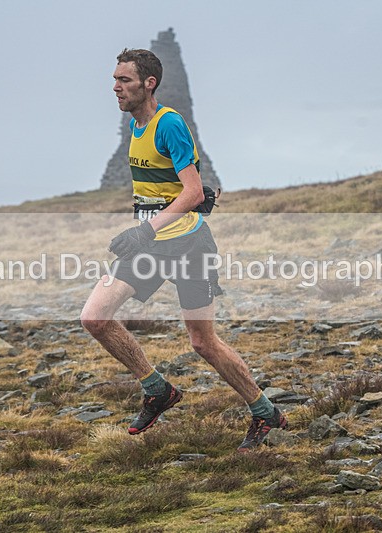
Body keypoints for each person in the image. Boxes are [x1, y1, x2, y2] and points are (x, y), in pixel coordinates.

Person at [80, 48, 287, 451]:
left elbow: (190, 192)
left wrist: (148, 227)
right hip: (152, 246)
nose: (115, 87)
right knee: (95, 318)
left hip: (189, 245)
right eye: (114, 80)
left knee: (202, 342)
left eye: (124, 80)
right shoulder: (136, 127)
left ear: (149, 83)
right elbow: (175, 186)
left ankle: (265, 411)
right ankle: (158, 390)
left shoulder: (168, 123)